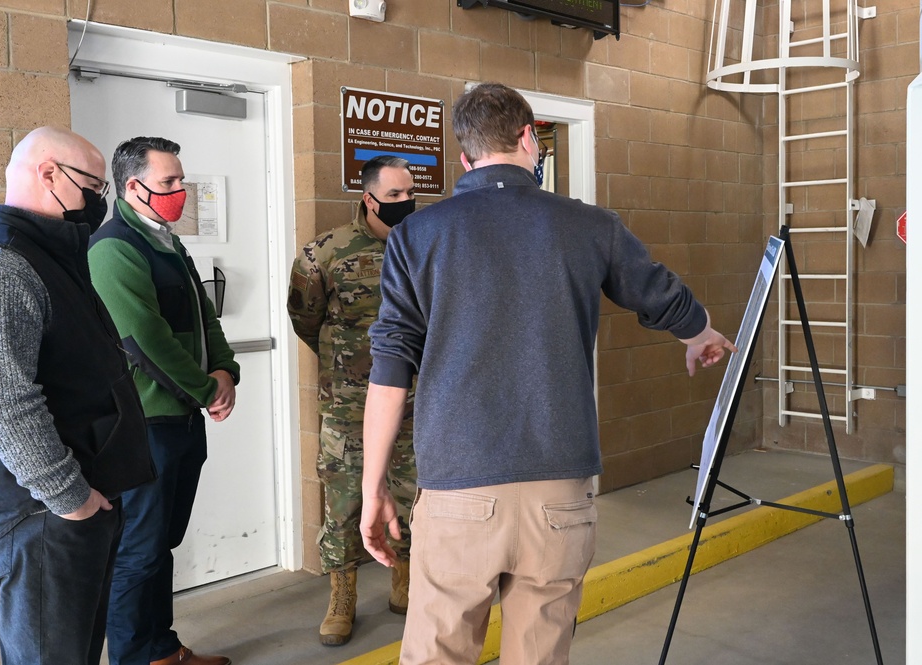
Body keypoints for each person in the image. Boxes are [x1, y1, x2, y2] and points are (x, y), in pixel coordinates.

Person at [359, 83, 738, 665]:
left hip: (458, 487)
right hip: (559, 491)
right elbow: (660, 292)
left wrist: (373, 488)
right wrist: (699, 334)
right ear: (528, 138)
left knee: (437, 654)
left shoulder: (416, 235)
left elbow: (390, 368)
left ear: (464, 157)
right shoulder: (590, 225)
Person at [0, 126, 155, 665]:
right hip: (44, 514)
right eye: (94, 186)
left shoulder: (50, 255)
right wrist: (71, 498)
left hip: (74, 503)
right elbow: (5, 404)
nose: (100, 201)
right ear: (49, 174)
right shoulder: (0, 266)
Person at [88, 137, 240, 665]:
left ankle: (162, 650)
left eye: (181, 180)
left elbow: (204, 316)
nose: (181, 191)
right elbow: (145, 341)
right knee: (138, 551)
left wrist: (226, 370)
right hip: (145, 425)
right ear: (133, 186)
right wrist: (206, 389)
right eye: (169, 182)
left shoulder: (168, 243)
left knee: (161, 545)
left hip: (181, 420)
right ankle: (135, 657)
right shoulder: (113, 248)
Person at [287, 155, 418, 646]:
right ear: (369, 199)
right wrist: (346, 361)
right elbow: (305, 319)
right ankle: (342, 596)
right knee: (343, 502)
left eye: (410, 193)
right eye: (395, 195)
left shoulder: (424, 245)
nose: (406, 202)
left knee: (412, 492)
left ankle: (405, 580)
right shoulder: (325, 252)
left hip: (413, 400)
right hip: (348, 405)